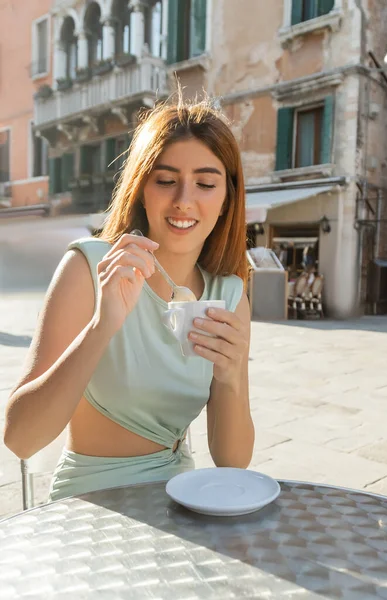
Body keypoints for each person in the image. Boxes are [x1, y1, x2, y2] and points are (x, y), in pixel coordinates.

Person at [4, 95, 255, 501]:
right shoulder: (90, 267)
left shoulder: (229, 294)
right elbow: (20, 438)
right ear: (141, 188)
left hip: (181, 494)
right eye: (166, 180)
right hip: (93, 499)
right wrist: (102, 325)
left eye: (206, 184)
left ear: (227, 198)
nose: (183, 201)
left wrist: (229, 379)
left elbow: (233, 460)